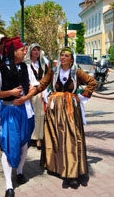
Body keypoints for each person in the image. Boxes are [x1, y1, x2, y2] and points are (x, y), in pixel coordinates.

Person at [35, 47, 97, 189]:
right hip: (55, 110)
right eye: (61, 55)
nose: (62, 58)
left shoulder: (77, 72)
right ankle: (61, 169)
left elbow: (92, 83)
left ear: (71, 59)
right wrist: (29, 93)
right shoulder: (53, 71)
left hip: (70, 111)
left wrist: (82, 96)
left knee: (72, 138)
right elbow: (42, 85)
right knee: (58, 139)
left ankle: (72, 174)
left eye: (66, 55)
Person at [0, 37, 38, 197]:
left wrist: (24, 97)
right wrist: (11, 93)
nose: (25, 52)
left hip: (24, 111)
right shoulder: (0, 68)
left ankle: (20, 172)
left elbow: (34, 87)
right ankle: (9, 185)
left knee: (24, 144)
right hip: (9, 111)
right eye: (22, 49)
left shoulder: (25, 67)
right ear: (13, 51)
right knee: (9, 146)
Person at [25, 43, 49, 149]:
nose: (36, 52)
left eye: (38, 50)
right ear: (30, 51)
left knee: (40, 114)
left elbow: (48, 76)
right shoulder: (26, 63)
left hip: (41, 91)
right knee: (31, 114)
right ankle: (31, 137)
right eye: (34, 50)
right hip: (30, 92)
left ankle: (39, 138)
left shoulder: (42, 63)